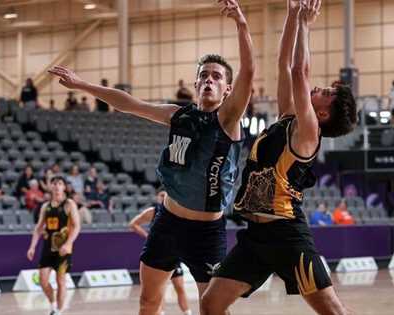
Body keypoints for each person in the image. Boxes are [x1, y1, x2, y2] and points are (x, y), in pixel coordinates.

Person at [48, 1, 254, 313]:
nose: (209, 80)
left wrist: (241, 24)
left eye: (217, 76)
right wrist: (81, 85)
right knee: (148, 301)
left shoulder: (228, 119)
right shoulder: (177, 115)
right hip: (168, 221)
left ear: (227, 89)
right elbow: (129, 103)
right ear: (196, 84)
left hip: (207, 231)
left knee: (214, 308)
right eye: (204, 75)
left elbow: (249, 72)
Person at [201, 1, 356, 314]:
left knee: (333, 312)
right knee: (211, 304)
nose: (317, 87)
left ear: (323, 112)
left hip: (287, 235)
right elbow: (284, 64)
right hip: (256, 236)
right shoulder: (288, 116)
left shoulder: (309, 130)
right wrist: (291, 14)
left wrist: (306, 25)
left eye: (323, 91)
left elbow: (299, 70)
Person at [129, 195, 192, 315]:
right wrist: (147, 236)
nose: (164, 197)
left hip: (174, 252)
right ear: (158, 197)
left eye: (165, 194)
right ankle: (160, 312)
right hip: (158, 252)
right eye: (161, 195)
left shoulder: (179, 210)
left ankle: (187, 312)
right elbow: (133, 224)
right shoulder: (153, 211)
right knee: (157, 291)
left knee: (180, 287)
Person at [26, 176, 81, 315]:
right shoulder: (46, 206)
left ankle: (59, 311)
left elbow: (76, 227)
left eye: (60, 183)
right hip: (48, 247)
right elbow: (38, 228)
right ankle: (53, 304)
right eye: (54, 184)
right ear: (51, 187)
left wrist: (68, 243)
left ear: (64, 187)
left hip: (64, 248)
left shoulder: (69, 204)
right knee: (43, 281)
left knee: (60, 280)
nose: (57, 186)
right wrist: (32, 246)